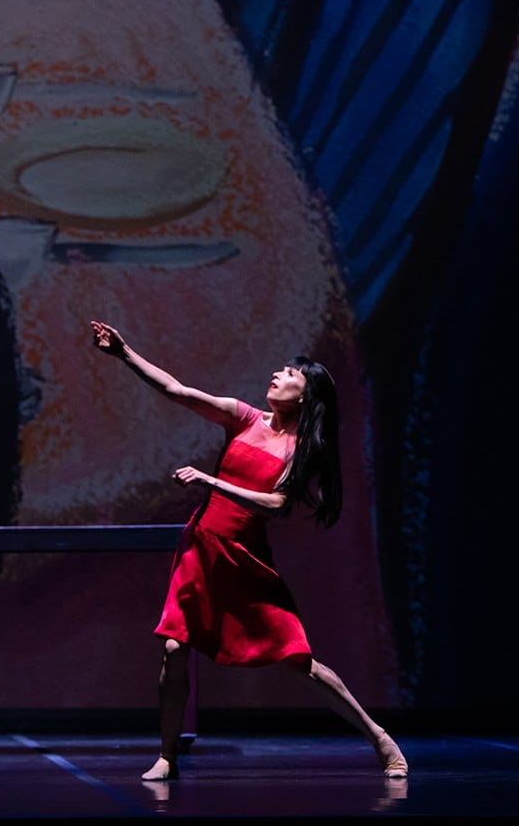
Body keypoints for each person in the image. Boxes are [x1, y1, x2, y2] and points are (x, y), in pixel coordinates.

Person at [88, 319, 408, 781]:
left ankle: (380, 738)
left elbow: (278, 506)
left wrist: (212, 480)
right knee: (175, 648)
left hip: (246, 557)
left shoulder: (300, 450)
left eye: (290, 374)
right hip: (201, 545)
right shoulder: (244, 418)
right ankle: (167, 757)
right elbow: (178, 390)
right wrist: (124, 353)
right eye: (280, 369)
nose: (277, 374)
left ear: (305, 397)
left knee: (300, 660)